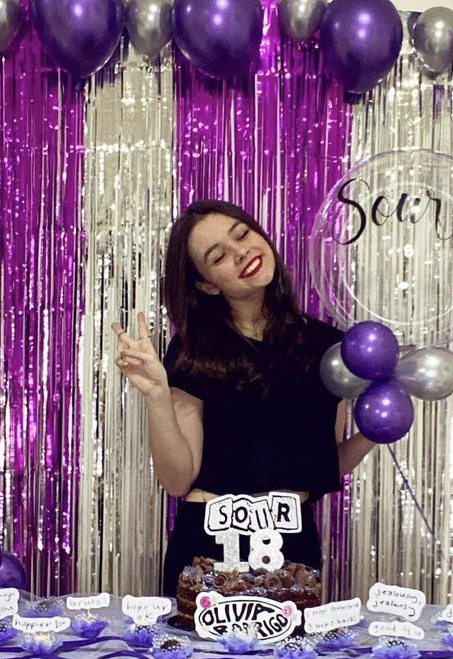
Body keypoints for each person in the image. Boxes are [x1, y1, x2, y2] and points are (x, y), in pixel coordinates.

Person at [112, 200, 376, 596]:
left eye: (243, 234)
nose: (242, 253)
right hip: (209, 548)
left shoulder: (328, 347)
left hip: (293, 547)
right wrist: (157, 395)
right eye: (219, 257)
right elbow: (177, 478)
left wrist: (375, 431)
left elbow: (321, 464)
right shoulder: (193, 352)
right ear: (206, 283)